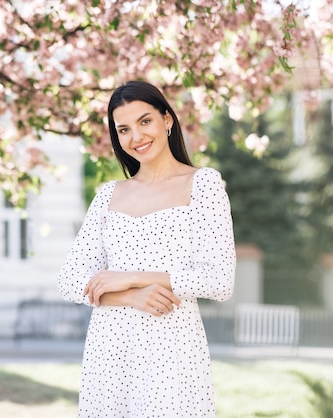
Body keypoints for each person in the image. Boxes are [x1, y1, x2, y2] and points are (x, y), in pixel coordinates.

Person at [57, 80, 236, 418]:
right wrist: (130, 296)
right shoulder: (108, 195)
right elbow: (69, 280)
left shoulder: (204, 184)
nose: (136, 137)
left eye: (144, 121)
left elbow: (219, 281)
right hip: (109, 349)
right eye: (123, 129)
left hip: (171, 347)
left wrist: (129, 278)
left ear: (167, 120)